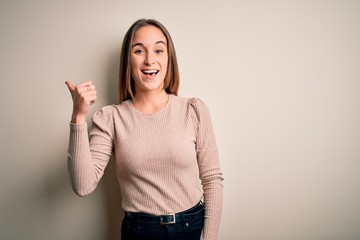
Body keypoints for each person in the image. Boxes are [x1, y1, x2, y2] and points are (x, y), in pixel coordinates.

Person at [65, 19, 223, 240]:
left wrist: (209, 238)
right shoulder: (111, 118)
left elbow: (212, 179)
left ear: (169, 59)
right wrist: (78, 117)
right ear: (128, 60)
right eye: (139, 51)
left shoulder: (193, 110)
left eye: (159, 50)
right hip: (139, 231)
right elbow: (83, 186)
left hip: (191, 226)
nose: (150, 60)